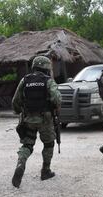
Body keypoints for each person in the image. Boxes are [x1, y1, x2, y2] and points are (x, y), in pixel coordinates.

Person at [11, 56, 61, 188]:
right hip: (45, 119)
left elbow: (15, 101)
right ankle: (45, 171)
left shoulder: (25, 80)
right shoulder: (48, 81)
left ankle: (20, 164)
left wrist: (19, 111)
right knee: (49, 144)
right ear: (46, 68)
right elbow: (57, 99)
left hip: (28, 118)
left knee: (27, 145)